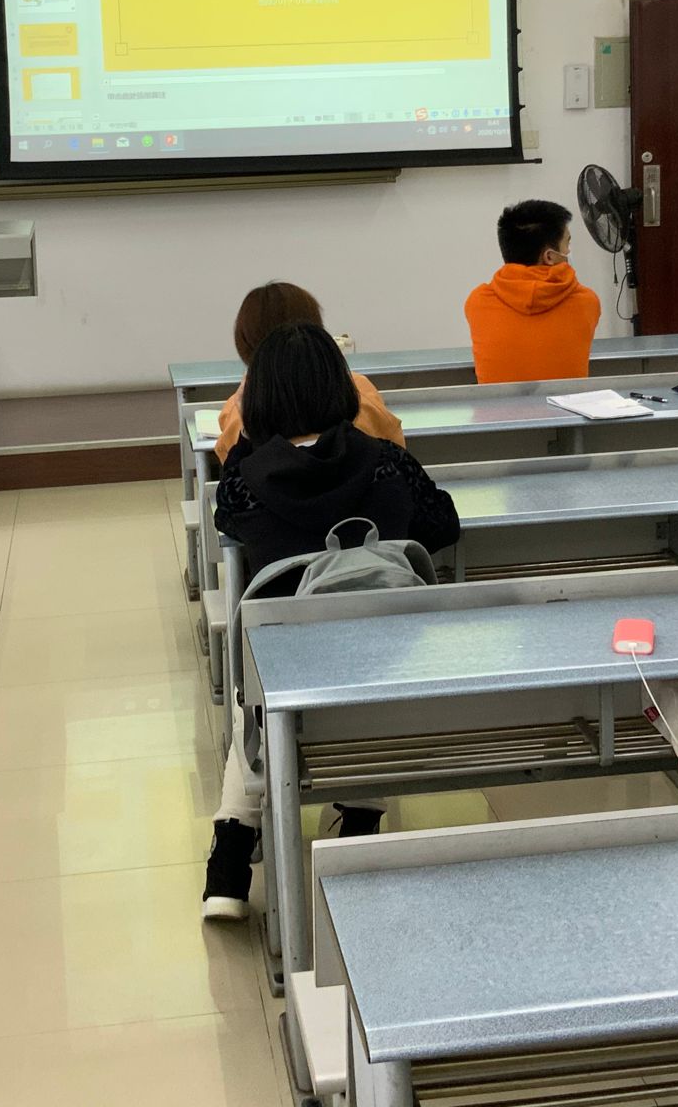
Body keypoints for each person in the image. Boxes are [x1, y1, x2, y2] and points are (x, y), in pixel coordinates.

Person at [202, 323, 460, 919]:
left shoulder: (245, 483)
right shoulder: (388, 464)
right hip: (389, 682)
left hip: (289, 684)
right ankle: (361, 817)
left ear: (259, 399)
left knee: (254, 702)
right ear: (342, 389)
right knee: (374, 659)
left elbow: (229, 524)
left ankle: (230, 859)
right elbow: (443, 524)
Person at [212, 281, 404, 463]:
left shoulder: (239, 412)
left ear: (245, 344)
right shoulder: (359, 390)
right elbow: (395, 450)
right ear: (316, 332)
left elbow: (235, 474)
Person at [463, 199, 602, 383]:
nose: (568, 251)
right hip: (565, 403)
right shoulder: (586, 301)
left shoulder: (477, 302)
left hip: (500, 403)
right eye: (566, 244)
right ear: (550, 257)